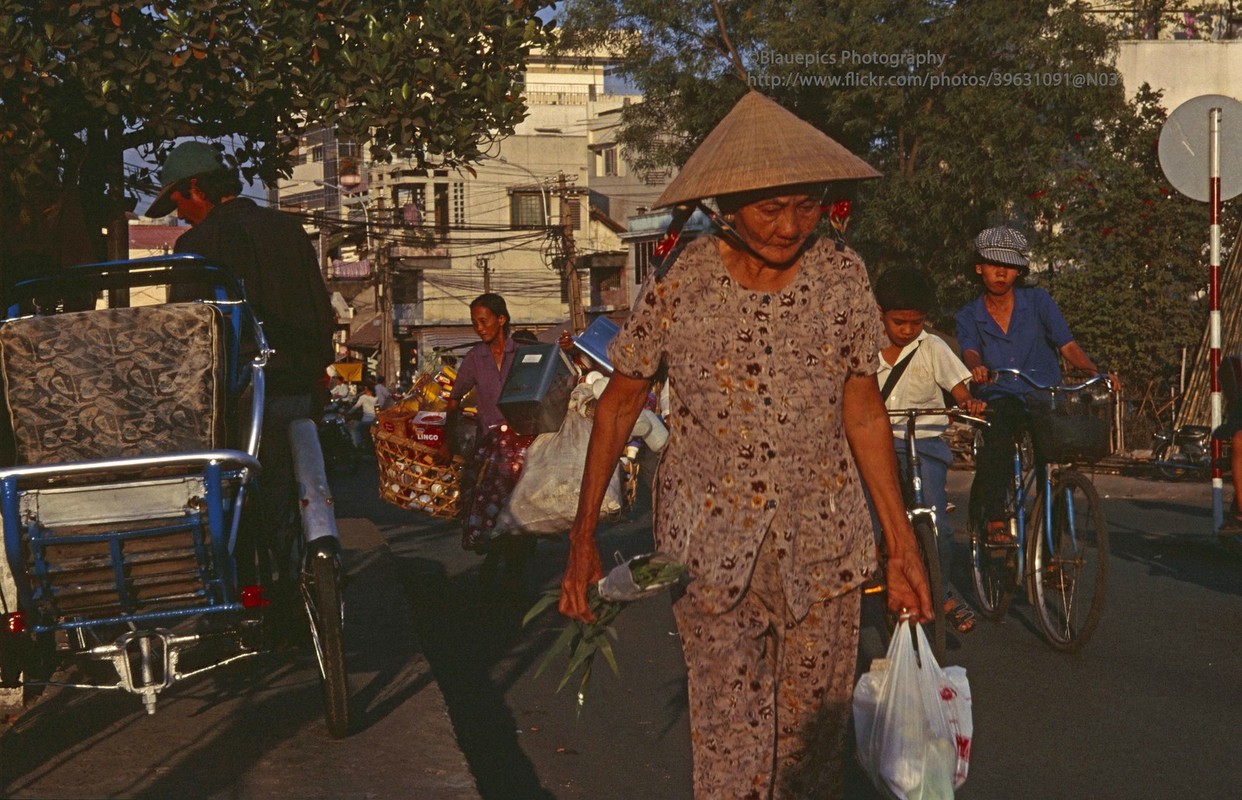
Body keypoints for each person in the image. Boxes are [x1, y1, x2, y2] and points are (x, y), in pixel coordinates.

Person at [558, 91, 932, 799]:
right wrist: (582, 538)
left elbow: (862, 408)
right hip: (707, 553)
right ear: (726, 206)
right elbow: (620, 403)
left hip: (824, 548)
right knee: (728, 753)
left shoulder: (842, 274)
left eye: (806, 205)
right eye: (770, 209)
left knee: (811, 758)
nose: (791, 226)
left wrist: (900, 543)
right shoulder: (681, 279)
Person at [148, 141, 335, 584]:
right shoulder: (288, 231)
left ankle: (260, 591)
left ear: (197, 186)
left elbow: (187, 339)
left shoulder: (195, 245)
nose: (177, 211)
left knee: (237, 504)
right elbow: (319, 312)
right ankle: (306, 580)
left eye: (177, 199)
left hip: (236, 404)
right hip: (296, 392)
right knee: (301, 494)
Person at [955, 226, 1106, 541]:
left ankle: (1052, 548)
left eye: (1009, 266)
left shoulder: (1038, 301)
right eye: (994, 263)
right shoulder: (969, 314)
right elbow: (969, 349)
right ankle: (994, 517)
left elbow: (1067, 345)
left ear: (1019, 271)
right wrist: (976, 367)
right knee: (997, 439)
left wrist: (1095, 372)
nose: (1001, 273)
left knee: (1055, 466)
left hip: (1044, 395)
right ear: (978, 267)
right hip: (1002, 395)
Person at [874, 266, 986, 634]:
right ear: (880, 314)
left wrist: (967, 401)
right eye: (899, 322)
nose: (907, 330)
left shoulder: (932, 346)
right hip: (877, 444)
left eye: (916, 322)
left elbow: (958, 387)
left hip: (924, 443)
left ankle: (943, 589)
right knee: (872, 518)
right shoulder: (865, 345)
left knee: (937, 522)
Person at [445, 293, 537, 592]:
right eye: (475, 324)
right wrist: (449, 439)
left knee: (524, 511)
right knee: (495, 511)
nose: (479, 328)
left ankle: (511, 571)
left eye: (483, 321)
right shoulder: (475, 358)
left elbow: (552, 376)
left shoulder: (524, 351)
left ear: (502, 320)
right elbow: (454, 399)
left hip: (525, 445)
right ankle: (496, 561)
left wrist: (564, 348)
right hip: (492, 447)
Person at [345, 383, 378, 449]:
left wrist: (348, 413)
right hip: (374, 420)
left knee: (357, 430)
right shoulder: (376, 398)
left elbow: (356, 407)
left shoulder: (363, 397)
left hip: (365, 420)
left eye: (365, 389)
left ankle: (358, 446)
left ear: (366, 389)